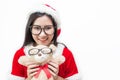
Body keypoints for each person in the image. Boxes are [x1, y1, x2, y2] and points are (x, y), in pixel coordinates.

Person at [10, 4, 80, 80]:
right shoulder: (20, 55)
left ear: (55, 29)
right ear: (30, 29)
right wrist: (29, 78)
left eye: (48, 28)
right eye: (37, 28)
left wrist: (57, 78)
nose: (42, 34)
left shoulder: (65, 54)